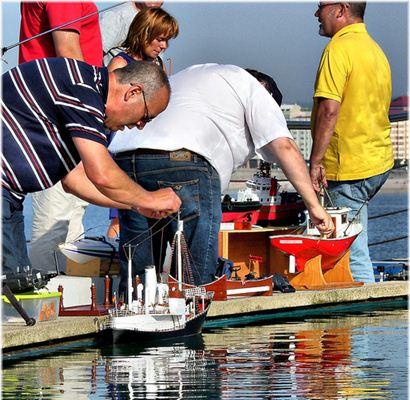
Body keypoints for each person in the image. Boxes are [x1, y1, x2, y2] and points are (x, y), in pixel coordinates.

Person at [108, 63, 335, 294]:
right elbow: (285, 147)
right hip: (185, 161)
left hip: (126, 153)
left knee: (139, 269)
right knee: (194, 275)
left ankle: (133, 314)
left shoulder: (203, 73)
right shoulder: (255, 91)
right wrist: (314, 206)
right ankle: (193, 312)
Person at [1, 58, 181, 276]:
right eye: (146, 117)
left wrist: (135, 205)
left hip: (10, 198)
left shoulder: (89, 100)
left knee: (15, 284)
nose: (140, 126)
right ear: (133, 92)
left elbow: (75, 179)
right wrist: (149, 198)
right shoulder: (82, 90)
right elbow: (101, 173)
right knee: (11, 290)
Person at [309, 2, 394, 283]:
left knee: (351, 255)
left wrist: (315, 161)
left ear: (340, 9)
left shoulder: (338, 49)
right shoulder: (375, 50)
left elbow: (329, 109)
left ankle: (361, 326)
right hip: (376, 159)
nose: (316, 14)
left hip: (349, 166)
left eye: (320, 6)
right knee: (355, 245)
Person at [18, 1, 103, 272]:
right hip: (59, 119)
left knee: (70, 216)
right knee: (55, 221)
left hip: (54, 115)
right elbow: (68, 52)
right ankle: (46, 305)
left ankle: (66, 297)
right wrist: (90, 112)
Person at [105, 7, 179, 238]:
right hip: (123, 148)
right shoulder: (119, 64)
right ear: (144, 33)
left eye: (167, 40)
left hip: (150, 148)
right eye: (160, 38)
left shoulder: (157, 65)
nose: (164, 46)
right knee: (123, 218)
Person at [100, 1, 164, 65]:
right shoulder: (117, 16)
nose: (164, 45)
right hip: (120, 72)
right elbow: (94, 53)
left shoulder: (163, 20)